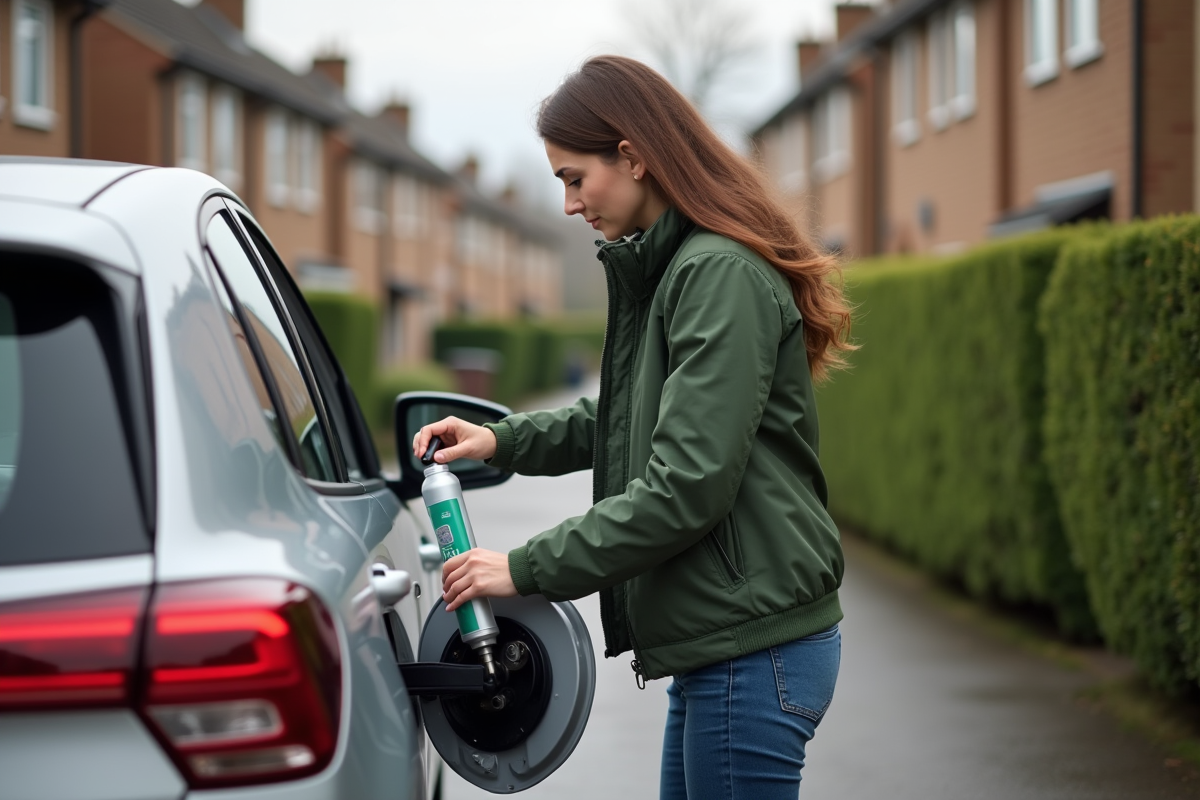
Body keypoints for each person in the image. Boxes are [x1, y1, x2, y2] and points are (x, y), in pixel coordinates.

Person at [413, 55, 853, 799]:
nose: (568, 205)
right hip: (726, 646)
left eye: (573, 179)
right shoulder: (678, 267)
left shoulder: (716, 275)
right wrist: (505, 440)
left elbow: (685, 489)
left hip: (753, 648)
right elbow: (626, 417)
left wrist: (522, 568)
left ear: (634, 155)